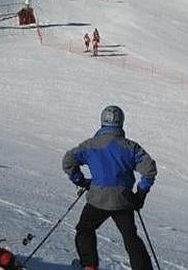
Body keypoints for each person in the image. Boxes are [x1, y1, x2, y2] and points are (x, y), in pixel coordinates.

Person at [62, 105, 157, 270]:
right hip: (123, 201)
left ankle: (89, 265)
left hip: (97, 200)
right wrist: (140, 194)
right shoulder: (130, 147)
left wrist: (80, 180)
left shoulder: (90, 145)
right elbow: (149, 170)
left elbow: (68, 161)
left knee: (85, 229)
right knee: (130, 238)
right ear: (121, 122)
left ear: (102, 122)